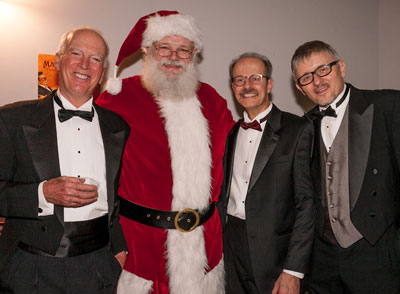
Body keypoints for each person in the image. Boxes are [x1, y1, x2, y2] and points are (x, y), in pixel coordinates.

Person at [96, 10, 234, 294]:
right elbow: (96, 174)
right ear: (147, 50)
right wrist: (113, 241)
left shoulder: (213, 101)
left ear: (194, 54)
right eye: (164, 48)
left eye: (183, 50)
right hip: (141, 248)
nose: (173, 56)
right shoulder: (119, 99)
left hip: (205, 249)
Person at [0, 27, 129, 293]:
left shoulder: (118, 127)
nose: (85, 65)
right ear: (58, 60)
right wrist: (42, 193)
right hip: (31, 267)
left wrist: (119, 247)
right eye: (76, 54)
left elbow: (115, 197)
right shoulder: (12, 120)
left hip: (98, 266)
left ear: (102, 72)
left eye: (95, 58)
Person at [291, 40, 400, 293]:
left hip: (378, 254)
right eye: (306, 77)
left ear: (341, 67)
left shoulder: (388, 105)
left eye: (323, 69)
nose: (317, 81)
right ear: (299, 88)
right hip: (322, 261)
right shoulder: (302, 127)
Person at [218, 52, 315, 294]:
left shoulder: (298, 129)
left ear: (269, 84)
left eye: (255, 78)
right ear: (232, 87)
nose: (247, 85)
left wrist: (293, 270)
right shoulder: (229, 133)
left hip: (276, 256)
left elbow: (306, 203)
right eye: (239, 80)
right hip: (231, 248)